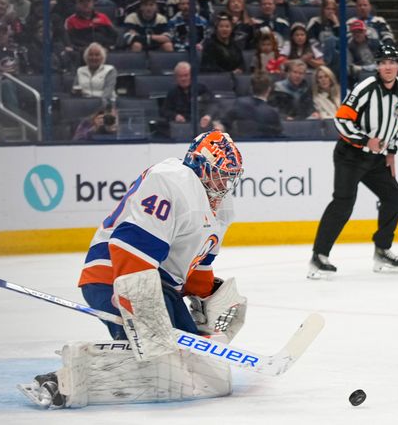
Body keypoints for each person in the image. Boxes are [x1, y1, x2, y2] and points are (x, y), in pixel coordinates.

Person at [20, 131, 244, 409]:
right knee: (160, 358)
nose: (224, 184)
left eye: (230, 177)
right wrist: (135, 302)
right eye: (218, 174)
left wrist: (211, 296)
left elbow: (198, 267)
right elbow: (131, 247)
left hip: (160, 286)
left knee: (194, 358)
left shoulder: (221, 208)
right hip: (114, 276)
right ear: (198, 164)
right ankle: (61, 380)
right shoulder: (172, 181)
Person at [309, 44, 398, 279]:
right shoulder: (366, 88)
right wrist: (365, 140)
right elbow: (341, 119)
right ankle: (319, 257)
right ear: (377, 65)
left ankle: (382, 250)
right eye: (383, 62)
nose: (388, 66)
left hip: (377, 158)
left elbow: (396, 122)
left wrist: (391, 152)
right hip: (350, 155)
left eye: (392, 61)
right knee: (343, 203)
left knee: (395, 197)